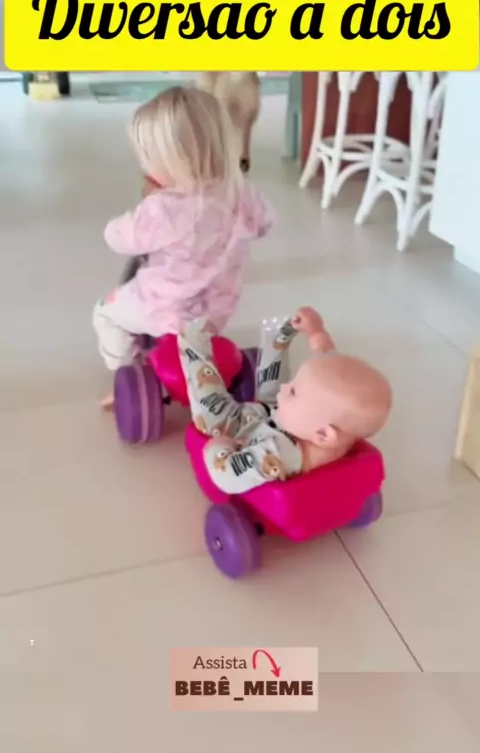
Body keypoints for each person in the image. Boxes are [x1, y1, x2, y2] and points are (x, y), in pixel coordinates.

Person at [93, 86, 274, 409]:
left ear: (168, 162)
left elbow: (118, 238)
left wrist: (141, 207)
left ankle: (128, 374)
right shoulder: (243, 193)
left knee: (106, 314)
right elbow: (263, 224)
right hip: (216, 310)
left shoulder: (163, 208)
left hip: (163, 306)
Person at [178, 307, 392, 494]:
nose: (285, 386)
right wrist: (316, 331)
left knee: (208, 405)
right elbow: (328, 361)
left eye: (293, 391)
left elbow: (229, 477)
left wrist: (219, 448)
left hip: (240, 428)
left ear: (323, 434)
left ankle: (192, 340)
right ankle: (280, 336)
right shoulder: (334, 424)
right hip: (279, 417)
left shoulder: (281, 454)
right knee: (276, 389)